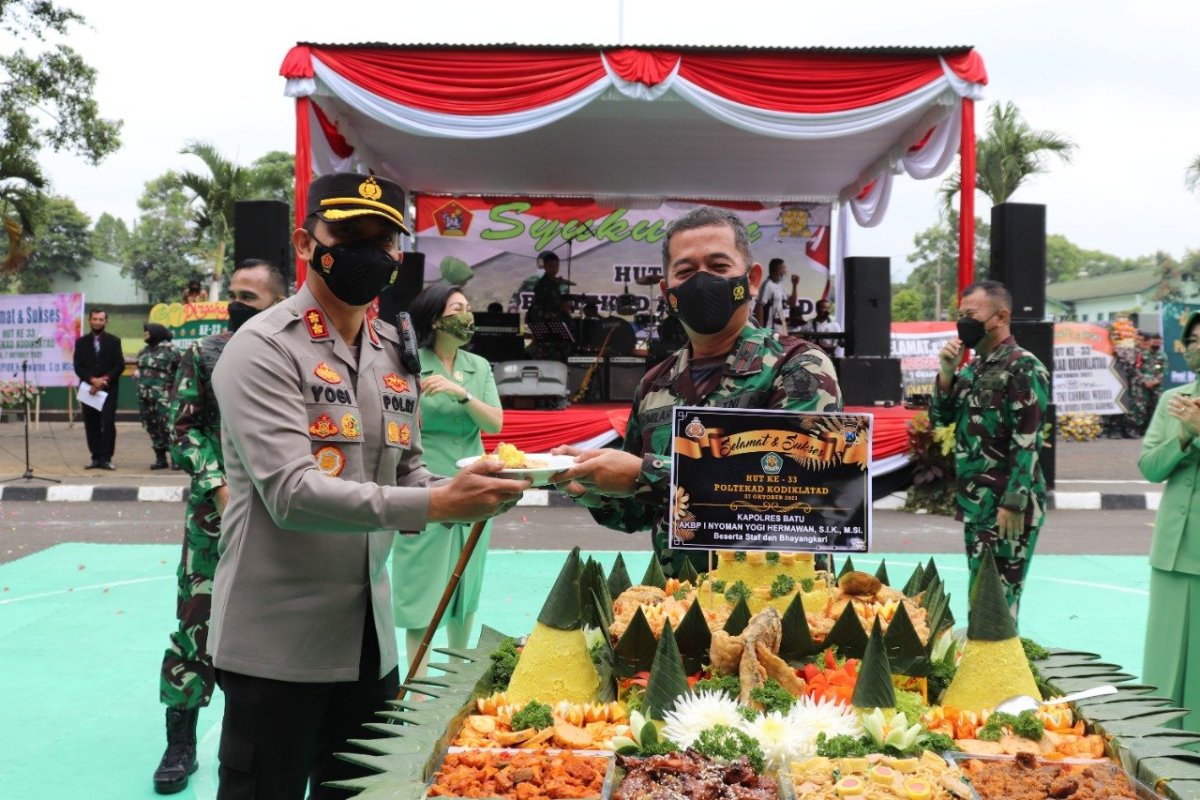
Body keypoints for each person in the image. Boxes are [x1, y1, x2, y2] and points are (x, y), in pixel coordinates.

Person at [208, 172, 528, 799]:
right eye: (350, 234)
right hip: (277, 646)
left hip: (368, 642)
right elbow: (292, 494)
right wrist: (438, 503)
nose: (370, 252)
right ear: (306, 243)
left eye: (384, 239)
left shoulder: (391, 349)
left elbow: (404, 468)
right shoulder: (264, 348)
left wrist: (472, 483)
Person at [551, 206, 842, 577]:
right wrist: (585, 484)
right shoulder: (655, 384)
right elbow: (639, 511)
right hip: (679, 603)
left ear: (752, 280)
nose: (702, 282)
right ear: (667, 292)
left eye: (719, 267)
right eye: (686, 272)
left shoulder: (798, 366)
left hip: (780, 598)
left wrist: (645, 472)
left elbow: (798, 487)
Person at [151, 259, 288, 794]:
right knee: (196, 626)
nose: (237, 304)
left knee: (269, 633)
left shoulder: (293, 358)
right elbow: (181, 430)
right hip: (213, 519)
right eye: (232, 293)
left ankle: (256, 739)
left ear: (278, 302)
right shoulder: (202, 352)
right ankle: (179, 742)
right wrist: (220, 486)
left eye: (250, 297)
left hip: (280, 516)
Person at [391, 283, 503, 678]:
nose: (467, 315)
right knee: (421, 583)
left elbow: (495, 422)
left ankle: (455, 677)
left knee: (465, 586)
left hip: (474, 483)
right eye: (458, 308)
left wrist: (462, 394)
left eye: (468, 307)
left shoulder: (479, 367)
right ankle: (416, 685)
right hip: (425, 485)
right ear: (436, 318)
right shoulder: (408, 362)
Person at [931, 280, 1049, 622]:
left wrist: (1014, 503)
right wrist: (947, 373)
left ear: (1001, 316)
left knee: (997, 603)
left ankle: (1000, 671)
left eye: (971, 314)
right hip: (978, 503)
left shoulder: (1023, 366)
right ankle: (984, 669)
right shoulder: (974, 368)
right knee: (980, 594)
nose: (963, 322)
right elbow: (942, 417)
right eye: (959, 315)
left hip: (1007, 506)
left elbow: (1027, 440)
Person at [1139, 311, 1200, 732]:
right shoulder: (1172, 402)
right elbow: (1150, 467)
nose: (1198, 346)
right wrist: (1183, 436)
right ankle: (1157, 743)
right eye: (1193, 339)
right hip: (1172, 548)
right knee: (1163, 656)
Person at [73, 309, 125, 470]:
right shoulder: (81, 342)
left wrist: (104, 380)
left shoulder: (114, 341)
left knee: (108, 422)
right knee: (91, 423)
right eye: (94, 319)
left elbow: (119, 365)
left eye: (101, 319)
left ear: (106, 322)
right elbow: (78, 366)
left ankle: (106, 458)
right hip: (88, 390)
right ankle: (95, 457)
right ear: (89, 321)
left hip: (108, 389)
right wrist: (92, 380)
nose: (97, 322)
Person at [135, 323, 181, 471]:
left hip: (164, 397)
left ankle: (176, 459)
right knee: (151, 427)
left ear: (155, 332)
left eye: (147, 331)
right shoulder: (144, 351)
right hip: (145, 397)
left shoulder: (171, 350)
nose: (145, 334)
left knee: (169, 427)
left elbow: (181, 371)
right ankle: (160, 459)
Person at [1133, 333, 1167, 435]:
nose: (1156, 344)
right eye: (1154, 342)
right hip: (1143, 384)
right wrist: (1145, 381)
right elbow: (1136, 369)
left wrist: (1156, 381)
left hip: (1156, 384)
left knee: (1157, 405)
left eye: (1158, 342)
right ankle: (1139, 427)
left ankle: (1153, 428)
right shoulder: (1142, 354)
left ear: (1161, 343)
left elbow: (1163, 371)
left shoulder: (1162, 356)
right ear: (1149, 342)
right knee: (1141, 406)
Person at [754, 258, 797, 337]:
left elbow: (792, 303)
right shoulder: (767, 285)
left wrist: (794, 285)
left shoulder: (780, 285)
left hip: (782, 331)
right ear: (777, 270)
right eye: (784, 268)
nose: (786, 271)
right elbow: (759, 306)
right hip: (770, 332)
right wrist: (760, 331)